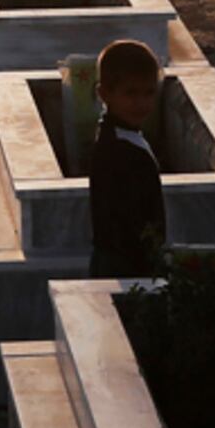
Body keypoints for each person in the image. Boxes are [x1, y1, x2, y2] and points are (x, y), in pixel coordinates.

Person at [87, 39, 168, 282]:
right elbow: (126, 226)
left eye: (149, 93)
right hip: (124, 267)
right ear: (104, 94)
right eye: (131, 93)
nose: (141, 103)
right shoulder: (119, 150)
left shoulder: (123, 138)